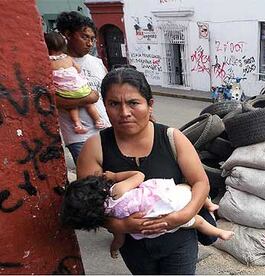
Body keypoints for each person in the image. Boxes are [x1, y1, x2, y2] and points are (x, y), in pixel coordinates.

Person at [76, 68, 210, 274]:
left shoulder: (172, 138)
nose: (124, 113)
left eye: (133, 103)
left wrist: (184, 215)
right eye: (113, 104)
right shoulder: (95, 147)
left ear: (150, 104)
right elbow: (87, 202)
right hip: (134, 247)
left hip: (179, 241)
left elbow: (201, 182)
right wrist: (121, 226)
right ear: (105, 106)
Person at [60, 172, 234, 259]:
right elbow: (139, 175)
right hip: (170, 197)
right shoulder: (116, 191)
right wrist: (116, 176)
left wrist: (114, 248)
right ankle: (209, 203)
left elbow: (119, 239)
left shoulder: (113, 218)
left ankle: (219, 233)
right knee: (191, 187)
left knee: (198, 222)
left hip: (162, 218)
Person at [54, 11, 110, 163]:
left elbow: (107, 95)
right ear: (67, 35)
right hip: (79, 135)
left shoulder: (97, 63)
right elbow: (55, 100)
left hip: (106, 129)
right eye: (84, 37)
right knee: (91, 179)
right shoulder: (56, 64)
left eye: (92, 39)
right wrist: (89, 98)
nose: (90, 43)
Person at [45, 31, 105, 134]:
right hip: (79, 88)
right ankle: (98, 120)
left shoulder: (48, 63)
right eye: (84, 37)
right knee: (90, 104)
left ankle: (77, 124)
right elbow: (78, 69)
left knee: (72, 107)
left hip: (64, 92)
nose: (90, 43)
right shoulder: (68, 59)